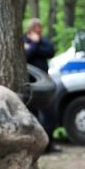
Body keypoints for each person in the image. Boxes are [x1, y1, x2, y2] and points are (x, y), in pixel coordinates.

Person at [23, 17, 60, 153]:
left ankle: (49, 144)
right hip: (30, 83)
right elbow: (27, 55)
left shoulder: (42, 40)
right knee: (33, 116)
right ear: (31, 29)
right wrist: (34, 45)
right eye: (38, 28)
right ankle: (38, 146)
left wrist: (36, 43)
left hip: (45, 82)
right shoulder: (23, 40)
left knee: (51, 115)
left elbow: (50, 51)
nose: (40, 31)